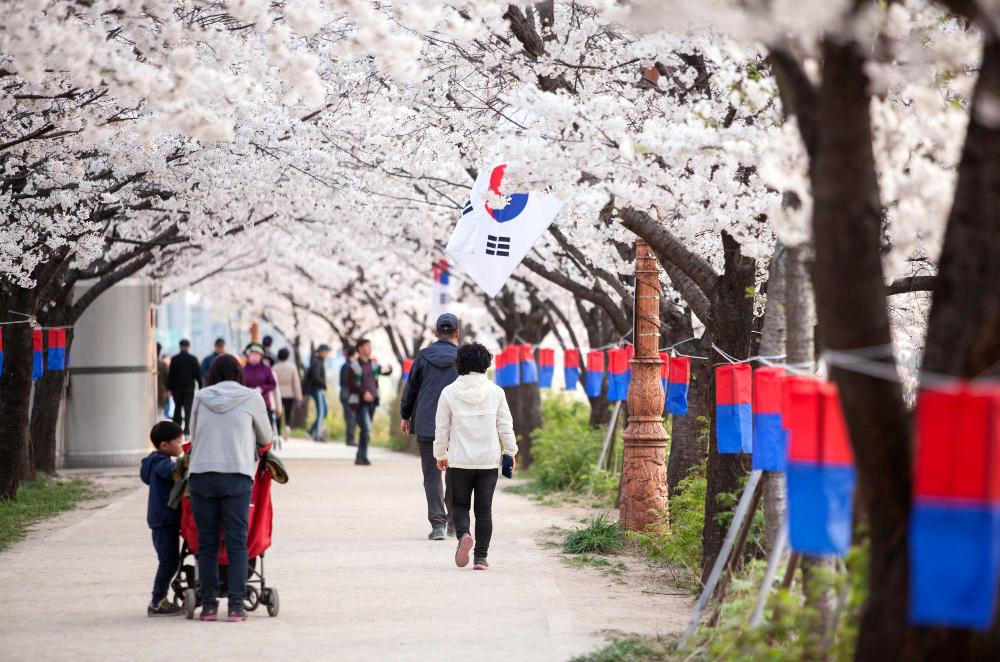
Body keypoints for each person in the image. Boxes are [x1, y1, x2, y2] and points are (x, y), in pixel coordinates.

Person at [188, 354, 272, 622]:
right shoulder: (252, 397)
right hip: (237, 475)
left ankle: (209, 606)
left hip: (202, 474)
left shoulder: (201, 397)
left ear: (211, 374)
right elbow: (266, 438)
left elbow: (193, 434)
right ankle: (236, 606)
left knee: (208, 543)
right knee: (237, 542)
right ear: (239, 372)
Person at [434, 342, 517, 570]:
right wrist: (510, 452)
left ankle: (463, 536)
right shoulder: (496, 392)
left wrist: (440, 453)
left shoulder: (448, 393)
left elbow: (441, 428)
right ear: (485, 364)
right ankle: (480, 558)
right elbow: (505, 426)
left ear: (459, 364)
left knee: (459, 505)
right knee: (484, 511)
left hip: (459, 460)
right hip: (488, 461)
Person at [400, 313, 460, 540]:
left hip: (427, 423)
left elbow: (411, 389)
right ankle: (455, 522)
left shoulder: (423, 357)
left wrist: (405, 415)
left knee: (431, 475)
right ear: (457, 333)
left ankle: (437, 525)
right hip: (456, 424)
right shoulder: (463, 358)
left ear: (435, 333)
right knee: (455, 472)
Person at [141, 420, 185, 616]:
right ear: (164, 445)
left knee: (169, 560)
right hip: (165, 520)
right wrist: (186, 463)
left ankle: (160, 599)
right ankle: (157, 601)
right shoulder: (161, 463)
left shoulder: (152, 460)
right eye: (178, 441)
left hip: (161, 520)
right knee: (169, 561)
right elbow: (172, 473)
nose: (181, 445)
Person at [345, 339, 393, 465]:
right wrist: (363, 393)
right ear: (360, 349)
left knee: (366, 430)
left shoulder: (373, 365)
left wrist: (390, 369)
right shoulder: (354, 366)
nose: (369, 349)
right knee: (366, 428)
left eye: (370, 346)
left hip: (372, 402)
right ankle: (363, 456)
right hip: (360, 402)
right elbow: (351, 384)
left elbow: (384, 371)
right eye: (366, 346)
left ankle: (359, 455)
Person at [166, 339, 203, 435]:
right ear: (188, 347)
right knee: (188, 410)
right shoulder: (193, 359)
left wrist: (169, 388)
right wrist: (200, 386)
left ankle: (176, 430)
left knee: (177, 409)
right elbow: (198, 375)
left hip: (177, 389)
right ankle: (187, 430)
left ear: (180, 347)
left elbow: (171, 375)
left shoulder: (174, 359)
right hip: (189, 389)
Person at [273, 348, 303, 438]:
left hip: (278, 394)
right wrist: (299, 397)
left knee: (278, 412)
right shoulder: (292, 367)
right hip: (290, 393)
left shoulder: (275, 367)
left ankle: (278, 431)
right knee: (288, 412)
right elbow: (296, 382)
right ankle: (287, 426)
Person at [243, 342, 277, 419]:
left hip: (263, 402)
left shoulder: (266, 369)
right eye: (252, 353)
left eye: (257, 353)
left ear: (261, 356)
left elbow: (273, 384)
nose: (254, 355)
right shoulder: (243, 369)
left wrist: (262, 388)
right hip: (247, 402)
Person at [304, 344, 330, 442]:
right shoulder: (317, 362)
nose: (327, 354)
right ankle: (318, 435)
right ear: (322, 351)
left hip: (319, 390)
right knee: (322, 412)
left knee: (324, 412)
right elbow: (315, 376)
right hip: (317, 390)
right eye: (326, 351)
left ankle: (311, 431)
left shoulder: (318, 361)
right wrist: (324, 382)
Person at [339, 347, 359, 447]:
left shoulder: (348, 366)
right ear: (353, 354)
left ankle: (350, 438)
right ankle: (350, 439)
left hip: (347, 394)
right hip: (348, 395)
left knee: (350, 417)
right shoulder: (348, 366)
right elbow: (346, 382)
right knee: (351, 417)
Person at [156, 343, 170, 419]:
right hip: (161, 393)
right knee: (160, 415)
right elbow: (167, 380)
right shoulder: (163, 365)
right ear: (160, 351)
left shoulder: (147, 365)